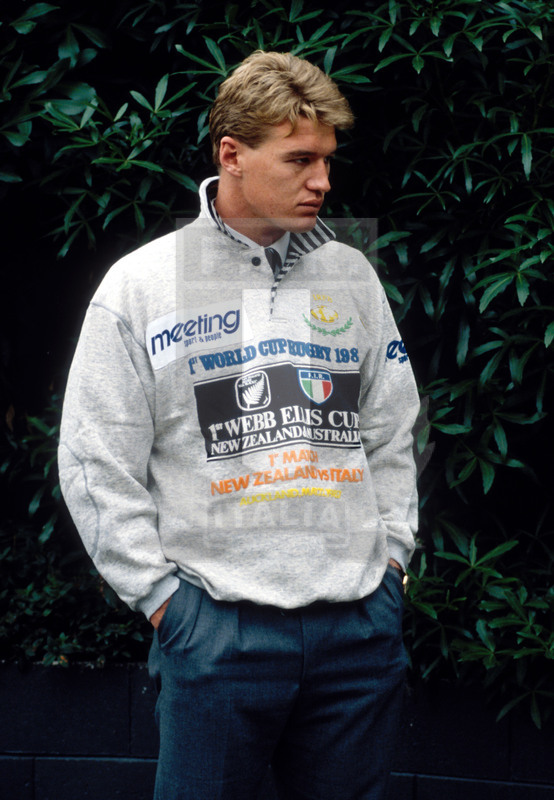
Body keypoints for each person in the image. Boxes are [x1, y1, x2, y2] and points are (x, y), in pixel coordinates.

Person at [58, 50, 420, 800]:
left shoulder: (352, 273)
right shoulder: (143, 284)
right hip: (216, 633)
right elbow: (95, 460)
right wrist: (164, 603)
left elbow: (391, 426)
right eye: (299, 160)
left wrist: (391, 567)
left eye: (326, 160)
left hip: (357, 633)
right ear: (233, 154)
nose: (322, 182)